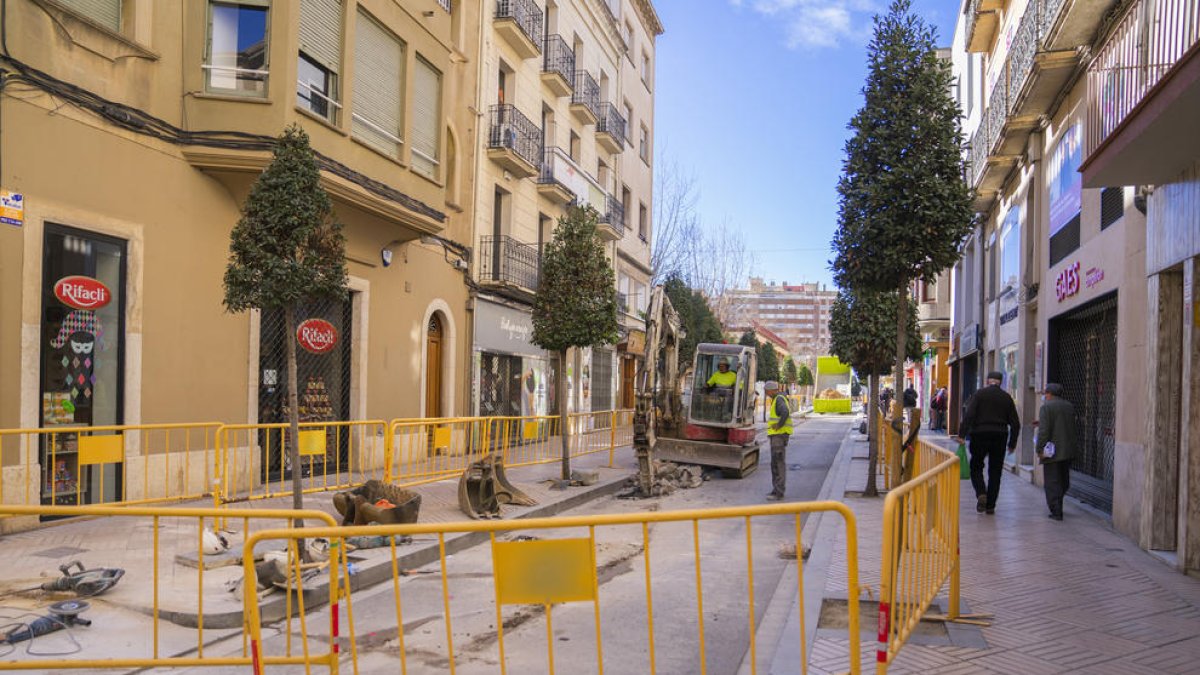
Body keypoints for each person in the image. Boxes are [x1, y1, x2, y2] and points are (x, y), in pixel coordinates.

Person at [955, 371, 1020, 515]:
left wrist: (961, 434)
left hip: (979, 435)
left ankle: (981, 493)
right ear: (1000, 382)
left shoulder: (979, 395)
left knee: (976, 466)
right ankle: (990, 505)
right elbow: (1015, 424)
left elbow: (969, 415)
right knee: (995, 471)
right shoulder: (1007, 398)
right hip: (1000, 436)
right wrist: (1012, 443)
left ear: (987, 381)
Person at [1036, 383, 1077, 521]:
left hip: (1052, 451)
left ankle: (1056, 510)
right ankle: (1059, 501)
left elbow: (1044, 431)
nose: (1044, 396)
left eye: (1045, 393)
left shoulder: (1046, 407)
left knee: (1052, 481)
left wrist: (1039, 448)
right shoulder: (1069, 406)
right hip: (1068, 449)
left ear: (1049, 394)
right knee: (1063, 479)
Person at [764, 381, 792, 501]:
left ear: (771, 390)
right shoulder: (778, 398)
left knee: (778, 464)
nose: (766, 393)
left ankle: (779, 492)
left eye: (766, 391)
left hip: (778, 437)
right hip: (777, 436)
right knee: (775, 464)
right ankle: (776, 489)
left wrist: (779, 425)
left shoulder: (779, 399)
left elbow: (785, 412)